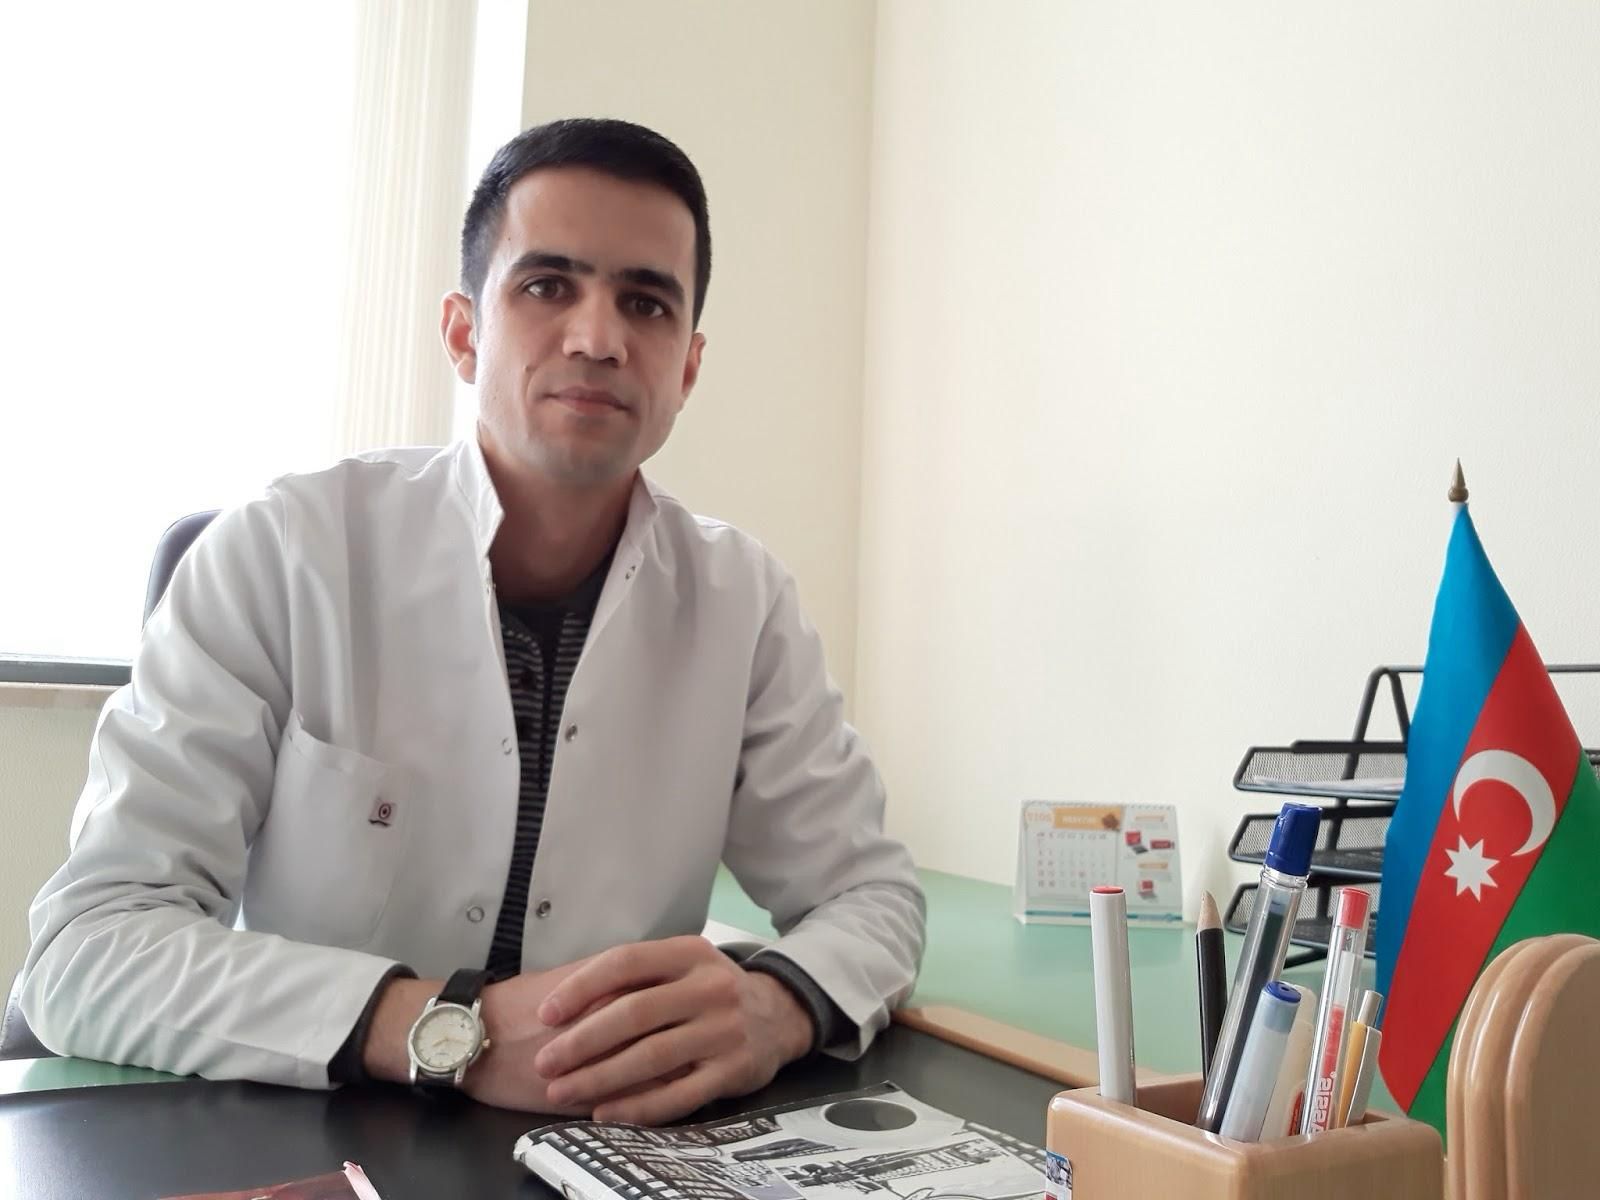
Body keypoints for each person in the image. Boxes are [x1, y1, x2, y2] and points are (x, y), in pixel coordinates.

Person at [20, 118, 925, 1125]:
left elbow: (872, 898)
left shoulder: (740, 602)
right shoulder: (282, 553)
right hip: (309, 1125)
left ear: (687, 367)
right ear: (463, 333)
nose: (598, 338)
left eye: (646, 303)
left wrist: (776, 1006)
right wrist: (441, 1027)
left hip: (615, 1143)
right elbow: (85, 951)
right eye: (546, 286)